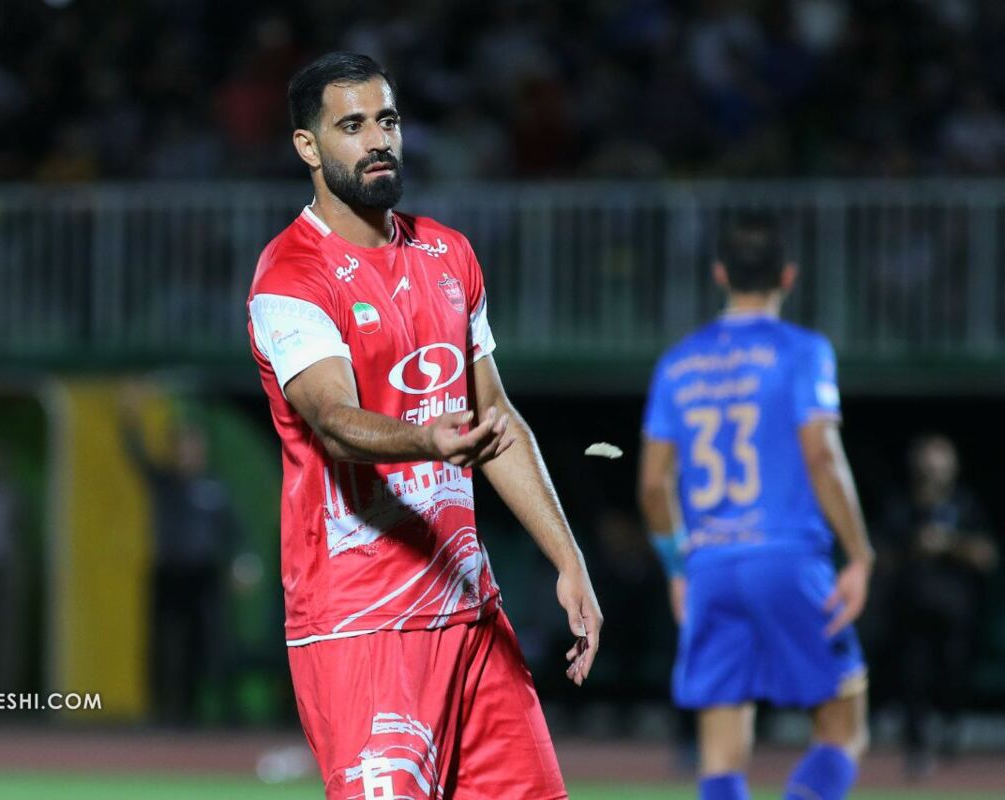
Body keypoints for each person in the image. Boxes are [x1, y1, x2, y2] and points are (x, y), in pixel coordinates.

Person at [246, 52, 601, 800]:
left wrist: (567, 557)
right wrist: (427, 439)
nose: (378, 140)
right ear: (308, 146)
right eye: (351, 126)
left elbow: (498, 421)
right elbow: (333, 421)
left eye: (387, 120)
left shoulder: (449, 253)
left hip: (470, 612)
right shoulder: (291, 276)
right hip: (361, 624)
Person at [638, 211, 873, 800]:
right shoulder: (803, 351)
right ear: (788, 276)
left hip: (711, 566)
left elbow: (653, 487)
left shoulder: (677, 363)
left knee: (720, 759)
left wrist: (678, 569)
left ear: (719, 273)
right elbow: (822, 457)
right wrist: (860, 555)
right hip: (788, 558)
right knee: (844, 730)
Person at [881, 434, 997, 776]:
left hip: (955, 613)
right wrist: (915, 546)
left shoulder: (966, 505)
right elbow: (882, 558)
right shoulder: (902, 506)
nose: (934, 470)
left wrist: (950, 544)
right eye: (928, 462)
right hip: (911, 613)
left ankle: (949, 739)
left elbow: (987, 556)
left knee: (953, 677)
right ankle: (917, 748)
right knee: (913, 680)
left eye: (941, 462)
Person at [119, 401, 240, 726]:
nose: (187, 453)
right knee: (165, 641)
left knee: (208, 641)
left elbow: (232, 531)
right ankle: (165, 709)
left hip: (204, 575)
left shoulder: (214, 487)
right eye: (182, 446)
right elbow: (136, 456)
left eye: (193, 446)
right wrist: (130, 421)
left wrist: (239, 563)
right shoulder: (165, 482)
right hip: (170, 573)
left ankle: (213, 709)